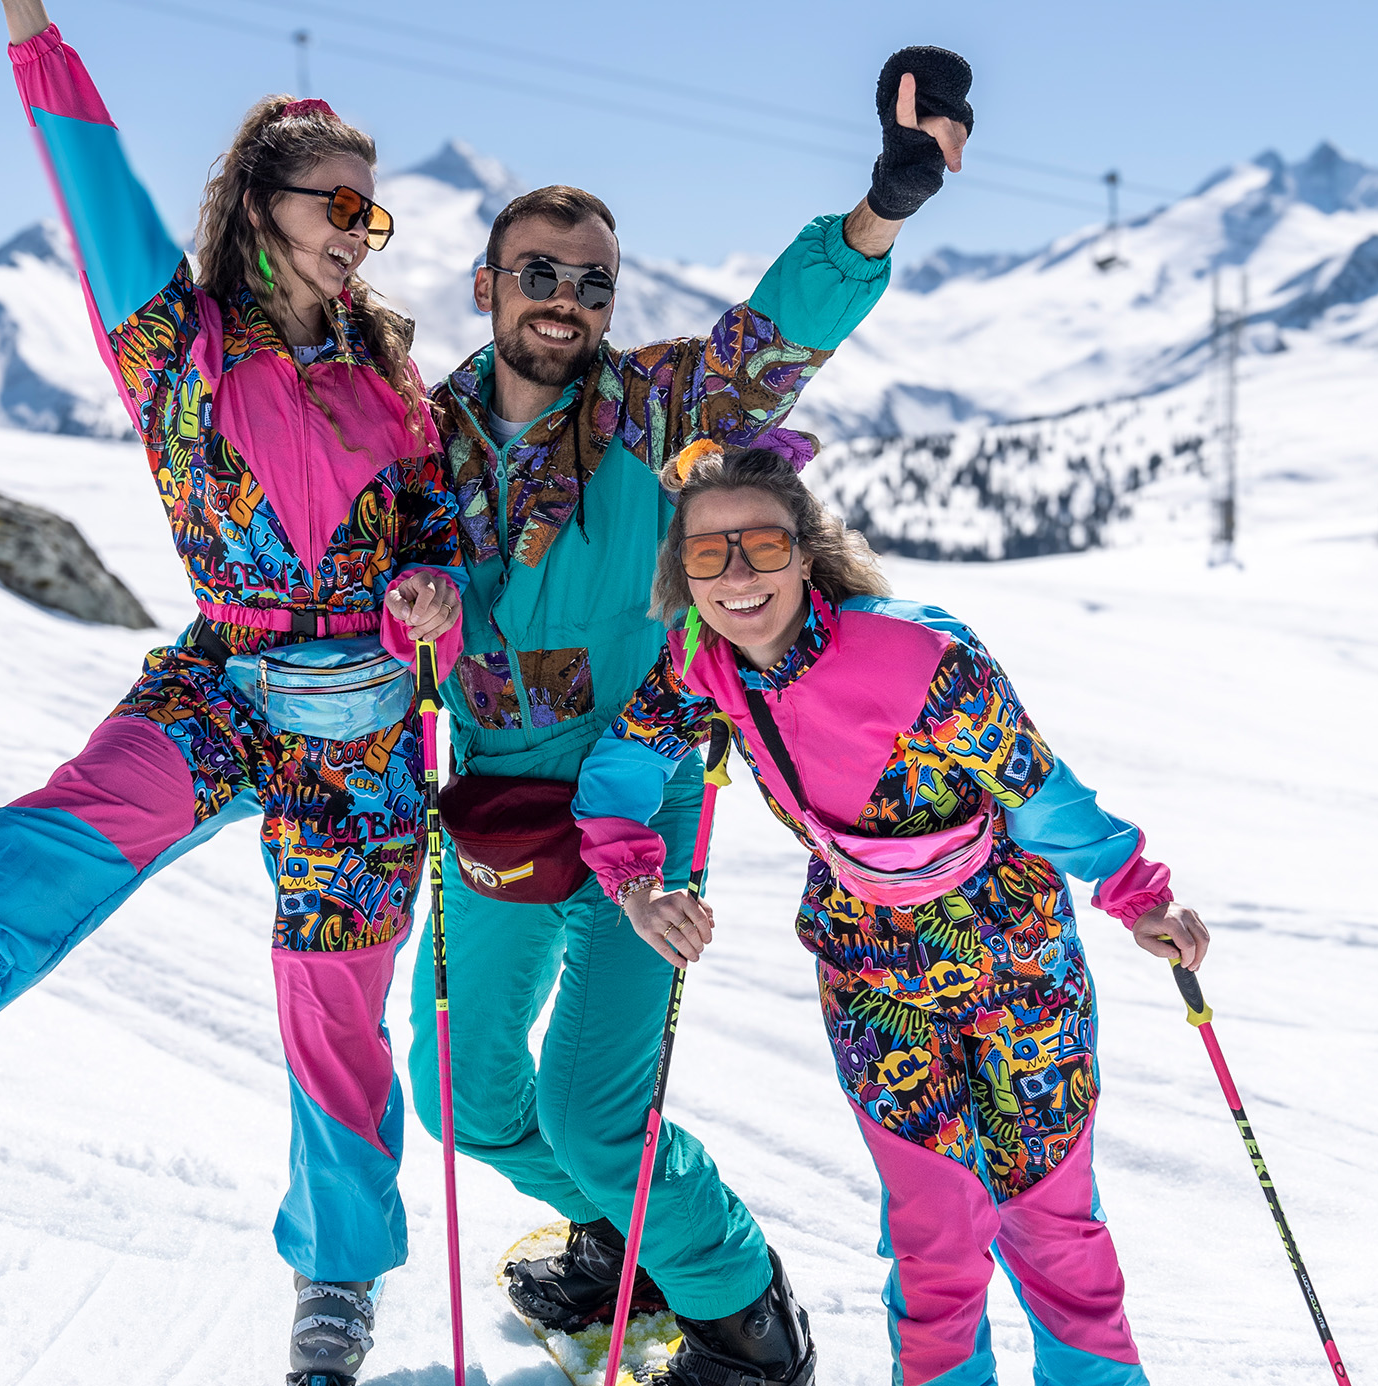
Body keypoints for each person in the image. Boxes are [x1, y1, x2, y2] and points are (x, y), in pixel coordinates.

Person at [0, 5, 466, 1383]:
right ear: (261, 205)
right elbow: (92, 178)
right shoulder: (172, 341)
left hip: (363, 723)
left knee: (331, 1003)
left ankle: (336, 1278)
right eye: (338, 206)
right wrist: (31, 34)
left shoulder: (388, 376)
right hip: (231, 669)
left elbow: (438, 536)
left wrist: (435, 593)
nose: (359, 234)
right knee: (105, 802)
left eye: (373, 218)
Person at [408, 46, 975, 1386]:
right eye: (538, 274)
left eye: (589, 280)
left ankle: (737, 1309)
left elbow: (773, 341)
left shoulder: (655, 405)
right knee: (461, 1095)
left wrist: (879, 207)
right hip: (491, 794)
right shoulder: (421, 438)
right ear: (488, 289)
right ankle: (638, 1233)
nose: (564, 299)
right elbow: (372, 569)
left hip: (637, 785)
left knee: (597, 1109)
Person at [573, 437, 1213, 1386]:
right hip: (869, 971)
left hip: (1015, 957)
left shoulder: (921, 651)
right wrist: (637, 884)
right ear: (682, 570)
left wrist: (1137, 896)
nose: (738, 575)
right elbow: (619, 775)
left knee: (1052, 1219)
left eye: (762, 545)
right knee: (934, 1233)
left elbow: (1040, 796)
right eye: (708, 554)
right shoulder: (700, 665)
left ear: (806, 549)